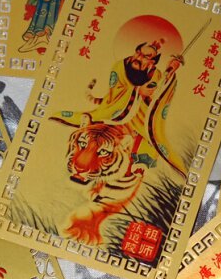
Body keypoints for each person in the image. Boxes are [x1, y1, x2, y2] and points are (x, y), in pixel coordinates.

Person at [54, 40, 186, 178]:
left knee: (153, 142)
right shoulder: (119, 67)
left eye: (145, 56)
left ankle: (138, 165)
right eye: (138, 52)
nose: (138, 57)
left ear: (152, 62)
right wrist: (137, 91)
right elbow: (115, 90)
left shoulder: (156, 74)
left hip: (140, 117)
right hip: (113, 110)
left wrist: (170, 71)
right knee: (91, 127)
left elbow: (158, 92)